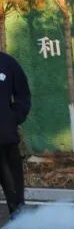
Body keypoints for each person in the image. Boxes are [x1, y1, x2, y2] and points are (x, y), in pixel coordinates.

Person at [0, 50, 31, 216]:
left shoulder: (8, 63)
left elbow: (23, 95)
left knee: (16, 202)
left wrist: (13, 118)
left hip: (5, 141)